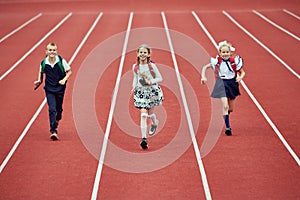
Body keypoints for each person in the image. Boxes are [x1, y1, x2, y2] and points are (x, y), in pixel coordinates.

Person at [201, 41, 245, 136]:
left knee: (230, 108)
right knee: (225, 106)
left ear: (230, 52)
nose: (225, 54)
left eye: (227, 52)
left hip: (232, 84)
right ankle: (228, 128)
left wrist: (240, 77)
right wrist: (203, 76)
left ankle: (226, 115)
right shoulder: (217, 62)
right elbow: (205, 67)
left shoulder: (234, 62)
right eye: (223, 52)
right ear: (220, 53)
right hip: (222, 84)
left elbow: (242, 72)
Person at [34, 42, 72, 140]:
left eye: (54, 50)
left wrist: (64, 80)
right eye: (50, 50)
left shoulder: (61, 61)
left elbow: (69, 71)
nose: (52, 52)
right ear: (46, 52)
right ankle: (53, 131)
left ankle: (58, 116)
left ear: (56, 51)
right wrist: (39, 81)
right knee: (52, 109)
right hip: (49, 89)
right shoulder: (43, 63)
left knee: (58, 109)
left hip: (60, 88)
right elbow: (41, 72)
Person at [132, 44, 164, 149]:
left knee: (150, 114)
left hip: (152, 92)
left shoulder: (152, 66)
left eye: (145, 52)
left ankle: (155, 123)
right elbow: (135, 78)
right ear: (137, 54)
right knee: (143, 115)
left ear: (148, 54)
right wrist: (134, 87)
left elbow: (160, 78)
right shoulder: (135, 67)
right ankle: (144, 138)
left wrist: (151, 81)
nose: (142, 54)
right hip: (141, 92)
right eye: (141, 52)